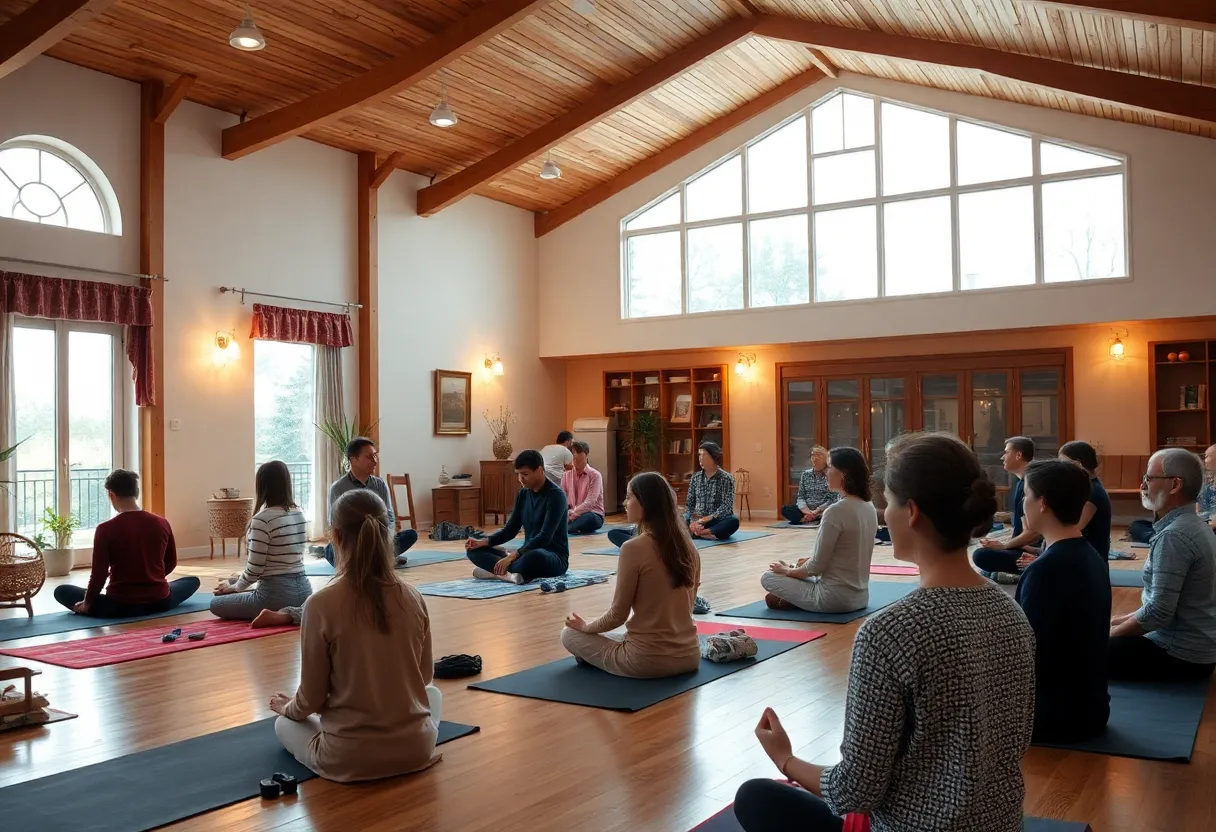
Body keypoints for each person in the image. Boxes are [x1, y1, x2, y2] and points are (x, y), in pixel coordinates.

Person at [734, 432, 1033, 832]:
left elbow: (854, 792)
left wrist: (784, 758)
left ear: (912, 512)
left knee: (755, 797)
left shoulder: (891, 632)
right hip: (1002, 824)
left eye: (888, 503)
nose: (884, 514)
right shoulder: (1011, 612)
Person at [270, 489, 441, 782]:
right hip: (416, 749)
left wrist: (289, 708)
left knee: (283, 724)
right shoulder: (413, 597)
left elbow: (310, 699)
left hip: (348, 756)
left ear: (335, 537)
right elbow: (424, 677)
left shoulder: (320, 605)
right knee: (434, 694)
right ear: (387, 534)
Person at [560, 472, 701, 678]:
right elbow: (688, 608)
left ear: (646, 503)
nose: (625, 503)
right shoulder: (690, 548)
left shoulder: (633, 548)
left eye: (629, 497)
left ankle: (593, 655)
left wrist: (586, 627)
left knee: (570, 634)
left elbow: (617, 615)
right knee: (610, 634)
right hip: (690, 656)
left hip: (647, 661)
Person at [1015, 459, 1111, 743]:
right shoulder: (1091, 556)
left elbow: (1031, 654)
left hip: (1058, 715)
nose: (1022, 503)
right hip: (1091, 707)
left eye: (1026, 495)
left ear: (1042, 503)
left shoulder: (1047, 569)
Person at [1108, 448, 1216, 682]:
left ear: (1175, 485)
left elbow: (1158, 613)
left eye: (1149, 478)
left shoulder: (1174, 536)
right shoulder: (1194, 524)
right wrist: (1117, 621)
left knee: (1075, 652)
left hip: (1181, 655)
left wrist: (1111, 636)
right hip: (1197, 649)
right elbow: (1161, 605)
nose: (1143, 485)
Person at [53, 470, 200, 617]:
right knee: (192, 581)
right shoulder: (162, 523)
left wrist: (88, 602)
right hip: (160, 601)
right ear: (137, 492)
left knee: (62, 591)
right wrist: (150, 579)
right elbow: (171, 562)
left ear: (111, 494)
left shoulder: (105, 529)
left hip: (120, 606)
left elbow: (99, 574)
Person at [761, 448, 878, 613]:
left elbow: (816, 567)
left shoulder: (835, 511)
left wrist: (789, 571)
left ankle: (793, 598)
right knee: (800, 564)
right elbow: (845, 553)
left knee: (768, 577)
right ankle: (791, 598)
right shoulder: (869, 506)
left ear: (843, 473)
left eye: (829, 467)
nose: (825, 472)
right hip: (861, 598)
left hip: (831, 599)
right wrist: (799, 566)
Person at [210, 461, 312, 621]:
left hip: (274, 595)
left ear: (262, 486)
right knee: (234, 580)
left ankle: (279, 614)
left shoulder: (262, 519)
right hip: (305, 591)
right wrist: (237, 583)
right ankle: (290, 613)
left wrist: (236, 588)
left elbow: (255, 569)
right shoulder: (298, 513)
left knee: (216, 604)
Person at [465, 449, 569, 584]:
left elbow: (545, 537)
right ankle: (509, 574)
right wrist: (483, 542)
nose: (520, 479)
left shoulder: (556, 496)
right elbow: (510, 530)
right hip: (523, 554)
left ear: (539, 470)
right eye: (518, 474)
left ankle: (497, 572)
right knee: (473, 552)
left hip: (551, 557)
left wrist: (514, 556)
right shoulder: (523, 494)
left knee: (534, 556)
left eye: (525, 474)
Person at [325, 437, 417, 567]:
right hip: (353, 543)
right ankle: (381, 561)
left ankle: (368, 562)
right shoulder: (338, 488)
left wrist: (387, 538)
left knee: (411, 535)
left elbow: (389, 516)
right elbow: (334, 522)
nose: (375, 461)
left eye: (375, 455)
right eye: (369, 457)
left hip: (378, 540)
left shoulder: (380, 484)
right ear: (353, 460)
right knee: (329, 550)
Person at [972, 436, 1039, 583]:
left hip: (1033, 551)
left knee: (980, 556)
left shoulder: (1032, 483)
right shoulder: (1020, 481)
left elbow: (1033, 532)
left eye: (1006, 452)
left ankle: (1025, 572)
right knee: (985, 552)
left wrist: (1004, 546)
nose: (1002, 457)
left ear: (1018, 455)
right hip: (1022, 546)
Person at [1056, 440, 1112, 561]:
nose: (1061, 468)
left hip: (1090, 562)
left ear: (1077, 463)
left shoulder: (1093, 491)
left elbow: (1076, 528)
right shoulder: (1086, 486)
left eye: (1064, 462)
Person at [780, 446, 838, 525]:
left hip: (823, 509)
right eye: (813, 455)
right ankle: (807, 518)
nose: (814, 458)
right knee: (785, 509)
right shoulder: (805, 474)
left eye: (818, 455)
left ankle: (809, 518)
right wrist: (805, 510)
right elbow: (801, 496)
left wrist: (817, 511)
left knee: (833, 510)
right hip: (806, 510)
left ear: (825, 459)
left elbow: (832, 499)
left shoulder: (830, 474)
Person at [562, 440, 604, 535]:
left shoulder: (595, 475)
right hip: (571, 515)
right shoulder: (566, 475)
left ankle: (565, 528)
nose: (574, 455)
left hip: (592, 514)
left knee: (589, 517)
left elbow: (590, 503)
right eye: (572, 453)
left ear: (586, 454)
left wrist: (571, 515)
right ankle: (568, 527)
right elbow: (563, 498)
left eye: (577, 452)